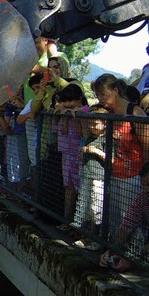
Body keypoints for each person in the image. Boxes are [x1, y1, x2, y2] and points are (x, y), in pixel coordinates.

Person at [92, 74, 149, 237]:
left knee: (129, 222)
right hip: (116, 173)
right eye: (98, 95)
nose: (100, 98)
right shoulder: (109, 112)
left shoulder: (135, 113)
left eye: (103, 94)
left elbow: (148, 147)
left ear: (115, 91)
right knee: (114, 220)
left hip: (134, 177)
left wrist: (145, 178)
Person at [100, 160, 149, 272]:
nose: (146, 189)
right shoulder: (143, 197)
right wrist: (110, 251)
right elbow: (127, 225)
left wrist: (133, 258)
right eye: (144, 185)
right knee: (135, 233)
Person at [72, 104, 109, 251]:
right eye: (90, 124)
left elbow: (110, 158)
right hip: (87, 176)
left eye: (95, 124)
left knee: (97, 208)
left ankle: (98, 239)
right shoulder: (91, 138)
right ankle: (88, 236)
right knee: (87, 207)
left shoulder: (107, 138)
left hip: (99, 178)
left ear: (105, 124)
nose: (92, 127)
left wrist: (95, 151)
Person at [53, 84, 89, 228]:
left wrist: (78, 118)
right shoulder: (65, 112)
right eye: (65, 101)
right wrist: (61, 116)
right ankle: (67, 221)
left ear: (80, 98)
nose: (68, 104)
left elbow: (85, 134)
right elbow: (57, 130)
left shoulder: (86, 111)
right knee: (69, 188)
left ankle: (81, 226)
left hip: (80, 156)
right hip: (67, 155)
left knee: (82, 190)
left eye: (71, 100)